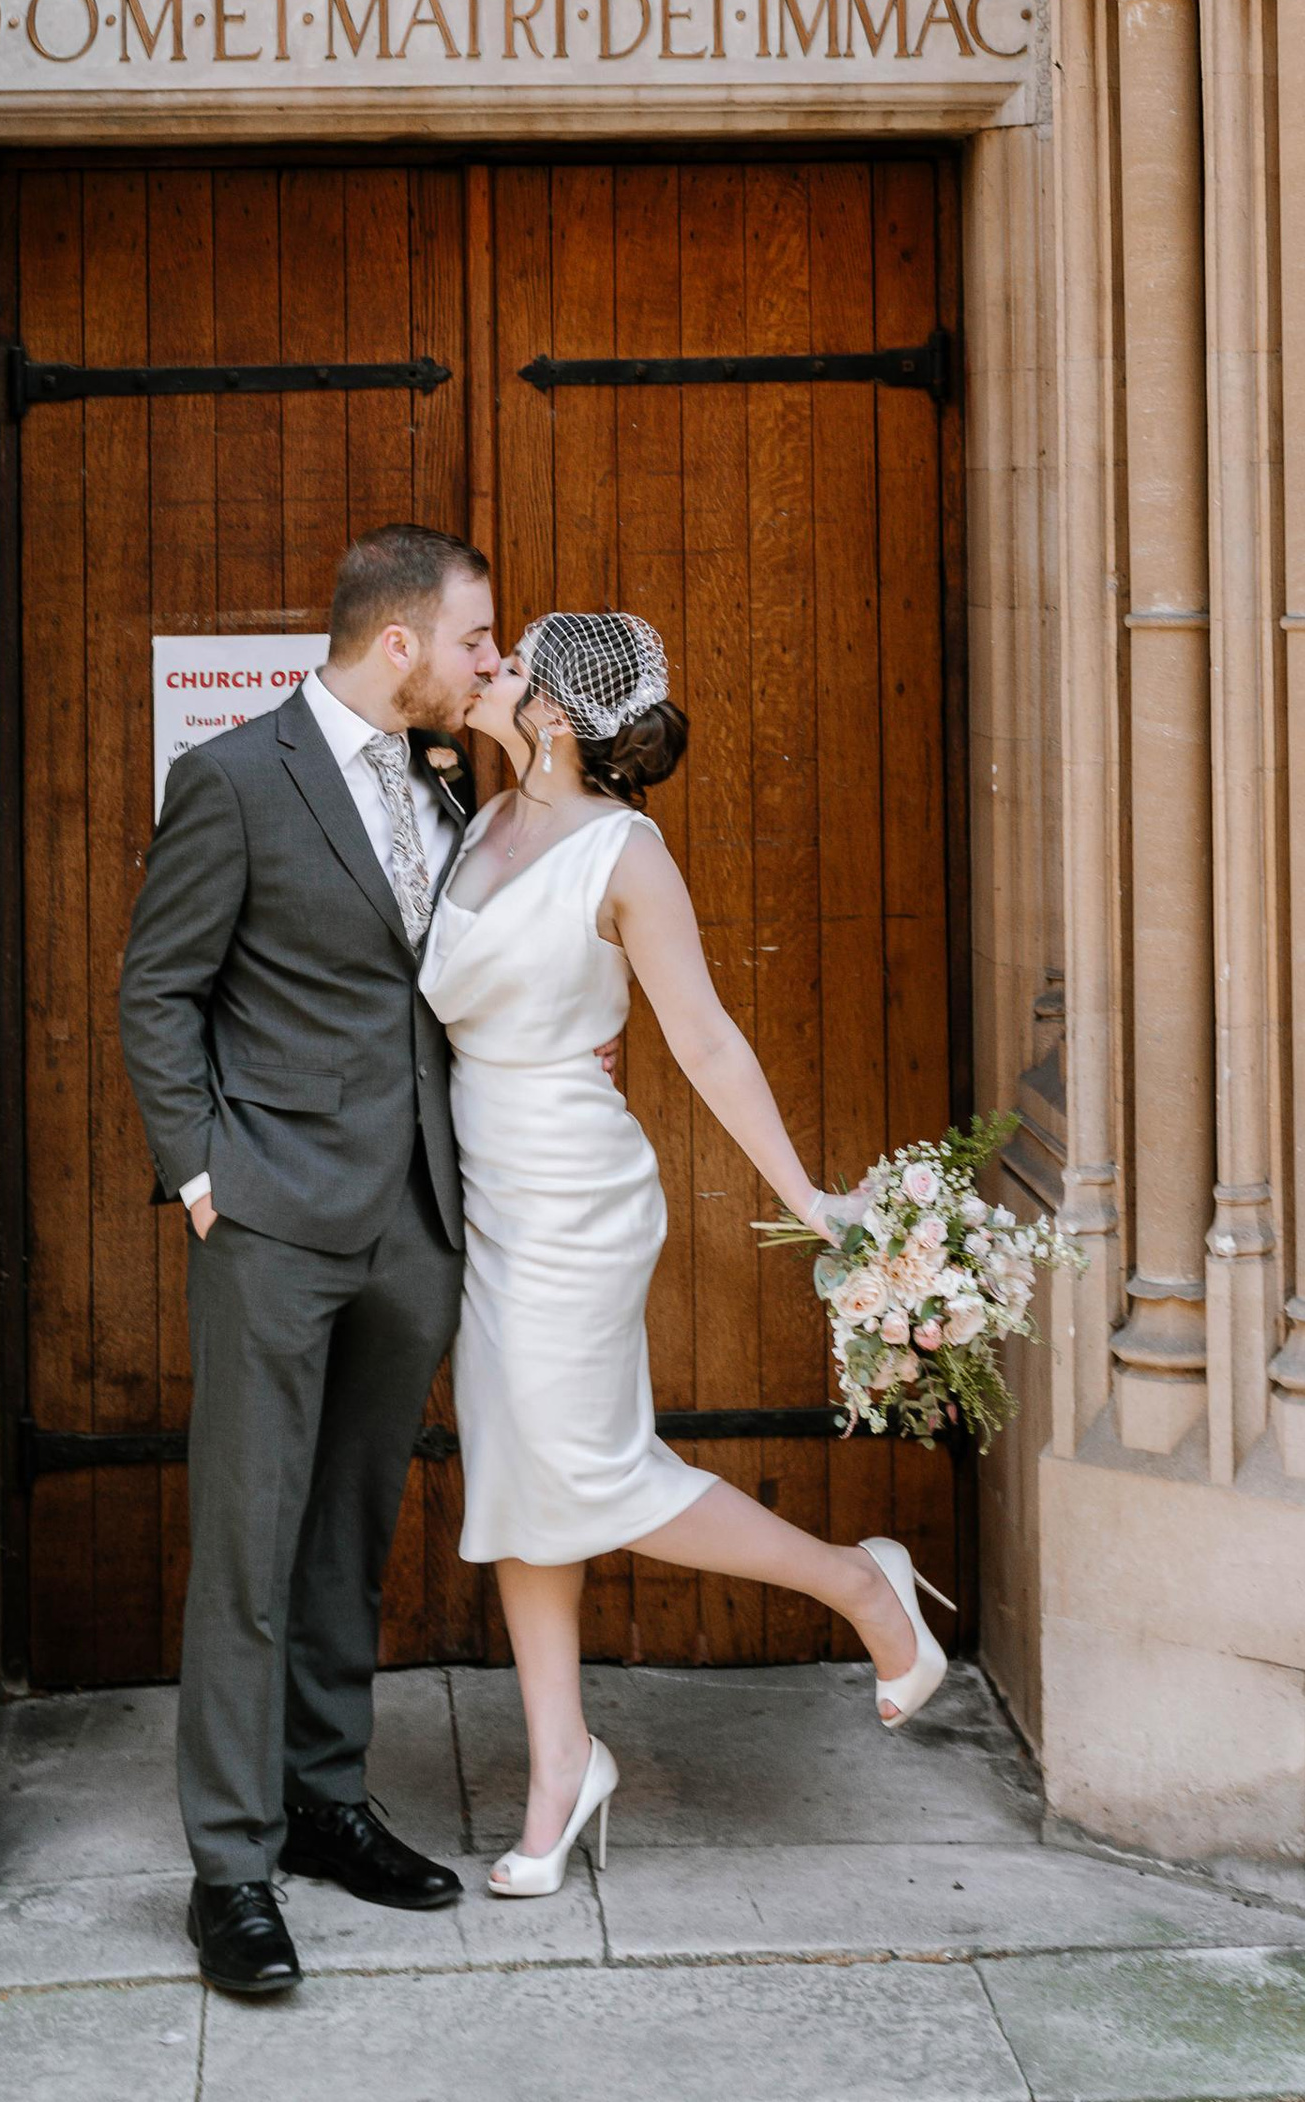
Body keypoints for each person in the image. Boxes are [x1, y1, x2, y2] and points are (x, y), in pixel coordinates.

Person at [423, 610, 948, 1899]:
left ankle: (862, 1587)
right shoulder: (479, 820)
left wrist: (811, 1198)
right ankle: (564, 1765)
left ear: (559, 710)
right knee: (519, 1480)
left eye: (515, 663)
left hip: (573, 1191)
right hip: (482, 1184)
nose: (491, 671)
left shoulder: (627, 851)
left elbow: (705, 1040)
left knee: (587, 1467)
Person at [116, 527, 499, 2001]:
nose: (486, 661)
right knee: (250, 1541)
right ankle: (229, 1867)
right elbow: (161, 987)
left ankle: (328, 1801)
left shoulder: (447, 776)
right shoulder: (235, 775)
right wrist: (206, 1176)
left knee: (350, 1526)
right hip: (272, 1219)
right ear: (396, 640)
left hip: (415, 1215)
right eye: (472, 637)